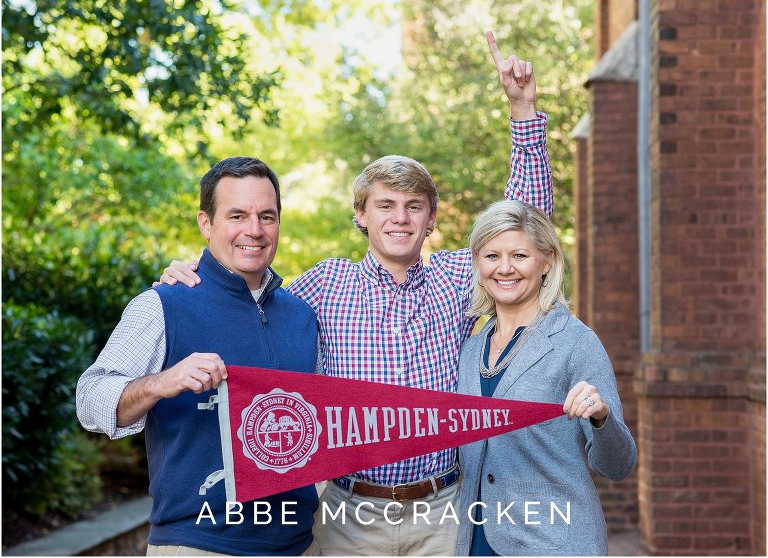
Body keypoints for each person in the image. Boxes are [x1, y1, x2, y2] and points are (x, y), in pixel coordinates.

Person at [158, 32, 553, 556]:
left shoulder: (460, 278)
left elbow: (522, 226)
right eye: (385, 205)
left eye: (414, 206)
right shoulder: (325, 284)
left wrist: (522, 110)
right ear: (361, 217)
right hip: (348, 514)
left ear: (431, 220)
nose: (400, 218)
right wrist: (196, 273)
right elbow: (248, 306)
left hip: (442, 509)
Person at [76, 157, 321, 556]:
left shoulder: (301, 315)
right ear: (205, 224)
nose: (254, 231)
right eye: (237, 215)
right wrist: (161, 382)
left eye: (267, 216)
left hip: (299, 545)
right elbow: (89, 401)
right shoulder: (163, 304)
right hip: (198, 545)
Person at [455, 200, 637, 556]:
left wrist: (601, 418)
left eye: (519, 256)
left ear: (547, 261)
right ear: (477, 262)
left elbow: (619, 465)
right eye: (492, 256)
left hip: (553, 544)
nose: (505, 268)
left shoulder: (574, 341)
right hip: (475, 543)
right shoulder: (469, 349)